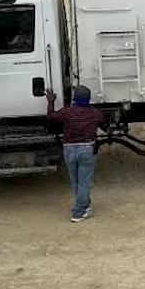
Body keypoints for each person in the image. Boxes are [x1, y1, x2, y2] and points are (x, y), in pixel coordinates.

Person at [46, 85, 107, 222]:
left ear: (75, 98)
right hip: (86, 149)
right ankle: (79, 212)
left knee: (76, 182)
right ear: (88, 98)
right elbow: (103, 121)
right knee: (85, 183)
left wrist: (51, 101)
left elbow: (50, 117)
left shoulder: (67, 112)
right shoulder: (94, 113)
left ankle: (85, 207)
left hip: (69, 149)